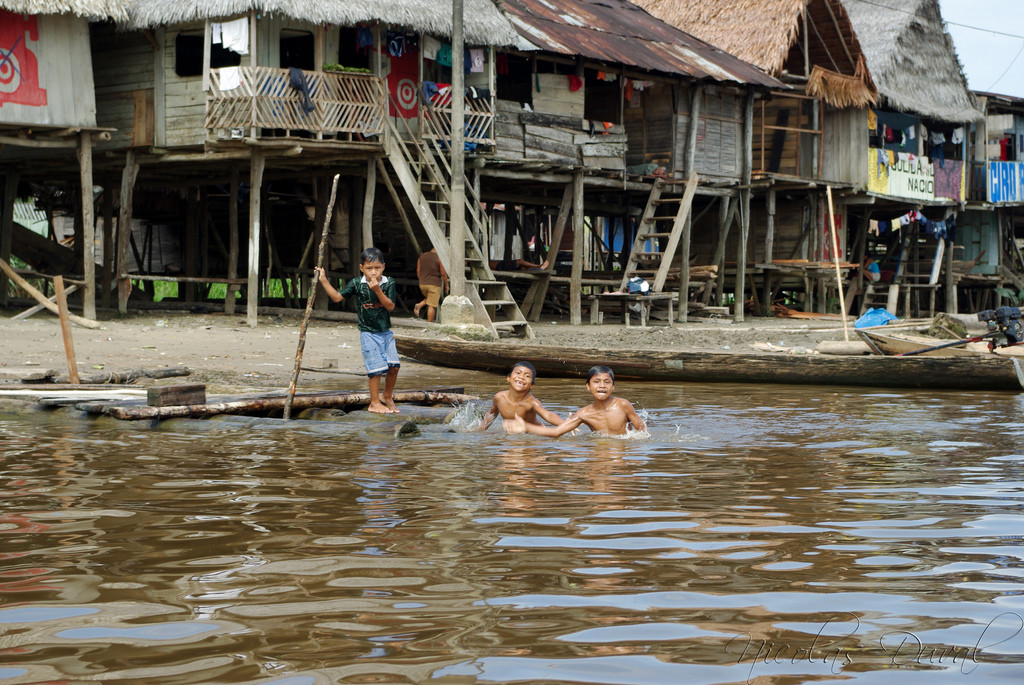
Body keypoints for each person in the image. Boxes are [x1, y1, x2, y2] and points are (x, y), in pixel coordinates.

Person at [314, 247, 400, 414]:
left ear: (383, 266)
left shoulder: (389, 283)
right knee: (375, 370)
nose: (373, 272)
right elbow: (337, 298)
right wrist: (323, 280)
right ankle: (374, 403)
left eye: (377, 268)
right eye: (369, 268)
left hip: (385, 333)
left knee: (394, 367)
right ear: (362, 268)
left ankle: (387, 396)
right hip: (368, 333)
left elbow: (390, 307)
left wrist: (377, 290)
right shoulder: (356, 284)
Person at [507, 365, 646, 437]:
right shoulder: (584, 414)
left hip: (623, 452)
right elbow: (556, 432)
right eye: (596, 382)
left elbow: (642, 431)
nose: (602, 386)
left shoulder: (622, 405)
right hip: (599, 452)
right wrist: (526, 427)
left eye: (607, 382)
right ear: (588, 386)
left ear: (613, 386)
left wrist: (634, 452)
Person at [478, 361, 566, 432]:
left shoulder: (531, 403)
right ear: (508, 378)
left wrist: (564, 424)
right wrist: (480, 431)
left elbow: (548, 415)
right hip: (514, 435)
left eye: (527, 376)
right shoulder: (499, 397)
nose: (521, 377)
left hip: (535, 435)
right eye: (518, 373)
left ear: (531, 385)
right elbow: (492, 414)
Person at [413, 247, 448, 323]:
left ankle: (420, 305)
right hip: (434, 284)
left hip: (422, 284)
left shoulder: (421, 256)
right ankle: (429, 324)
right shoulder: (439, 258)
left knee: (430, 299)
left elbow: (418, 270)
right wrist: (447, 285)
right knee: (431, 305)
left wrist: (421, 280)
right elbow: (443, 274)